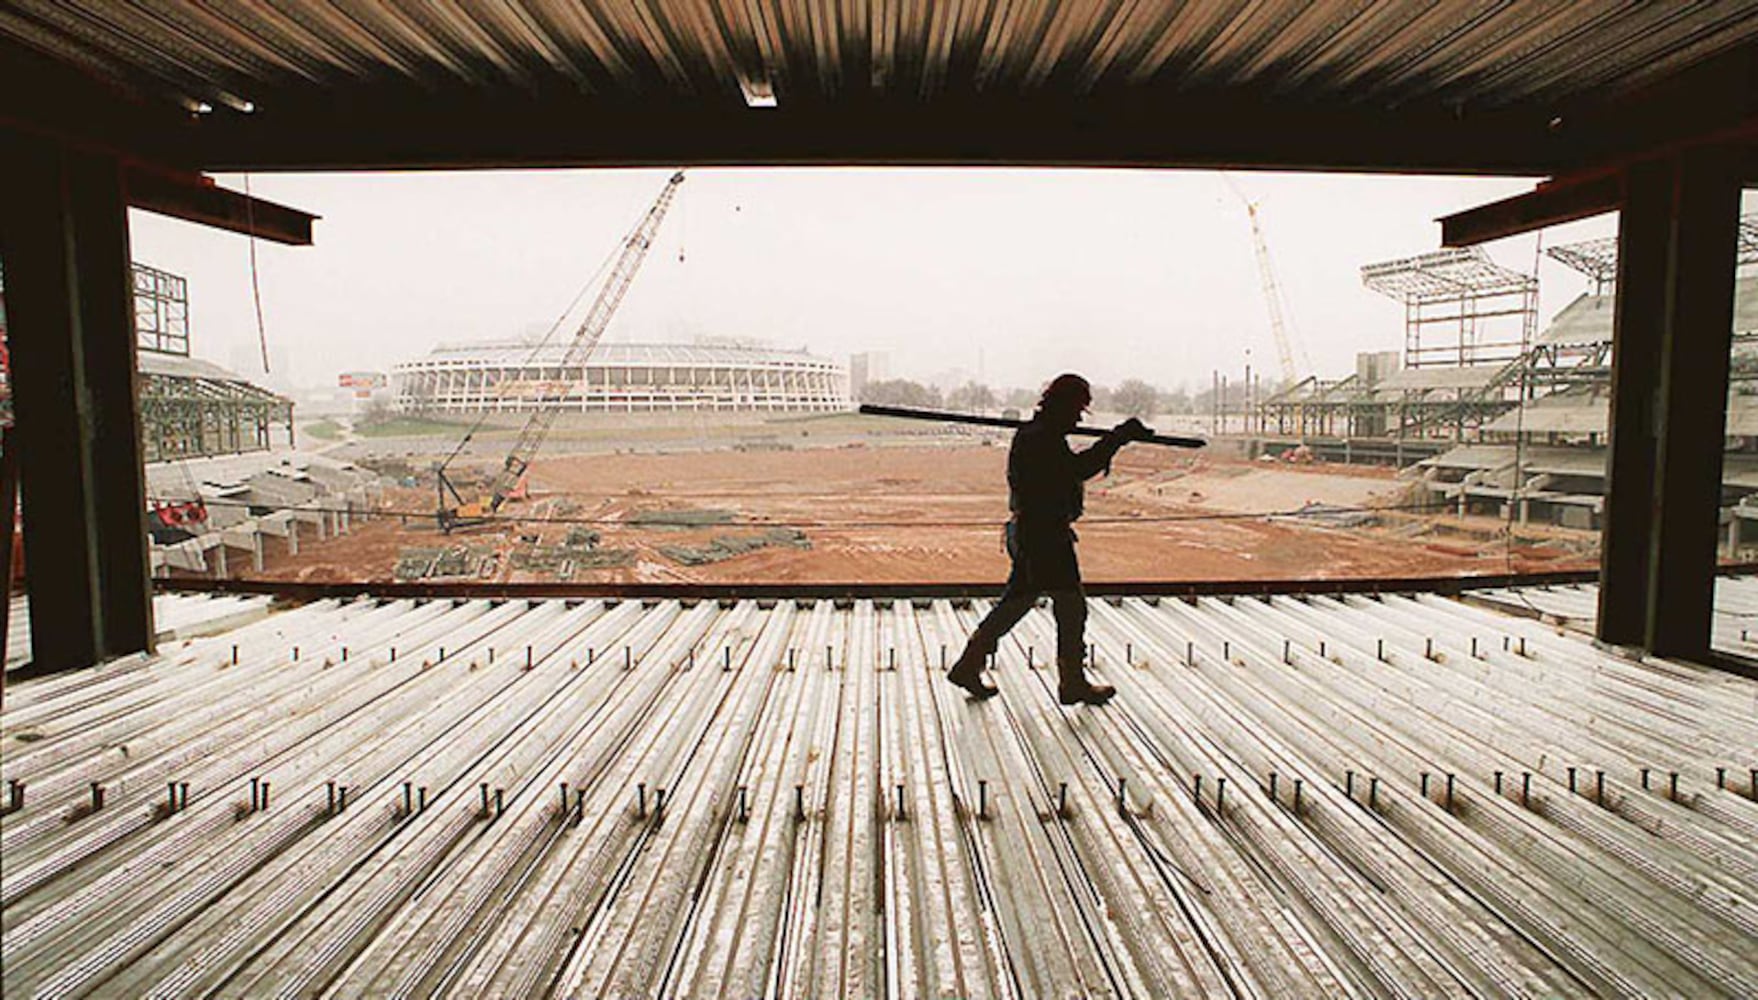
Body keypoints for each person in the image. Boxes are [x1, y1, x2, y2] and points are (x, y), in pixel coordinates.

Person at [947, 373, 1151, 704]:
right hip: (1044, 537)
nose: (1077, 418)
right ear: (1064, 405)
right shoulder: (1041, 439)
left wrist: (1118, 438)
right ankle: (1072, 682)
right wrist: (1119, 437)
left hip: (1034, 534)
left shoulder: (1039, 435)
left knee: (1017, 603)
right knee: (1070, 606)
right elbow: (1078, 469)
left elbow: (1071, 467)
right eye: (1076, 410)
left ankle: (969, 665)